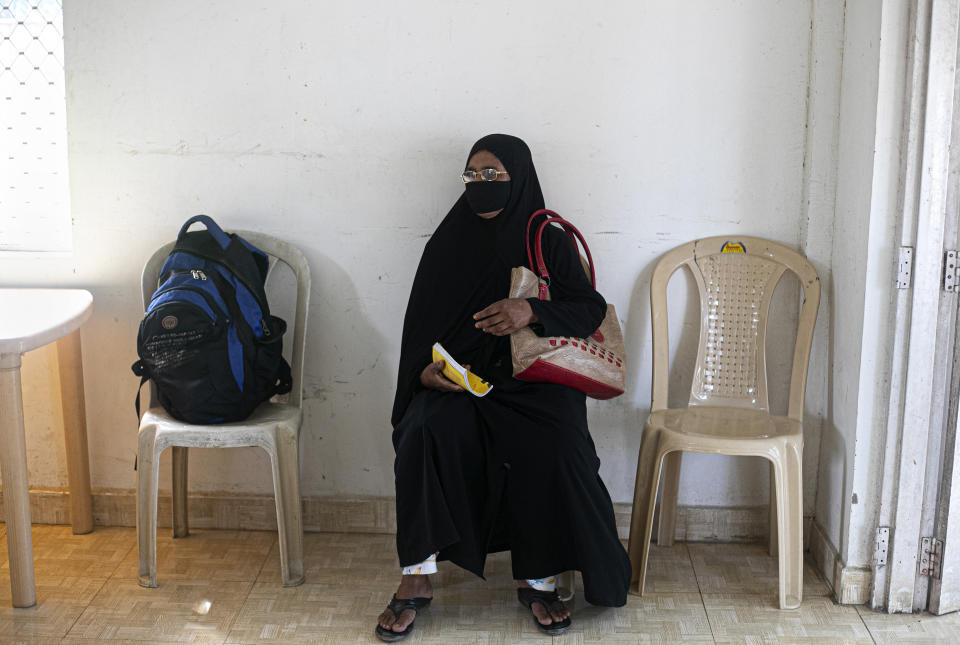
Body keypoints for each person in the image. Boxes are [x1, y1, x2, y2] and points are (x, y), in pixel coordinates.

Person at [375, 134, 631, 642]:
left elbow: (589, 309)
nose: (481, 184)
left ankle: (537, 578)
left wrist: (531, 309)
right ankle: (417, 576)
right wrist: (422, 375)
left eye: (494, 175)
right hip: (463, 383)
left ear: (519, 177)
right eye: (473, 175)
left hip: (534, 380)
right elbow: (419, 329)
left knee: (553, 441)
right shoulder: (448, 242)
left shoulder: (546, 238)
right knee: (423, 428)